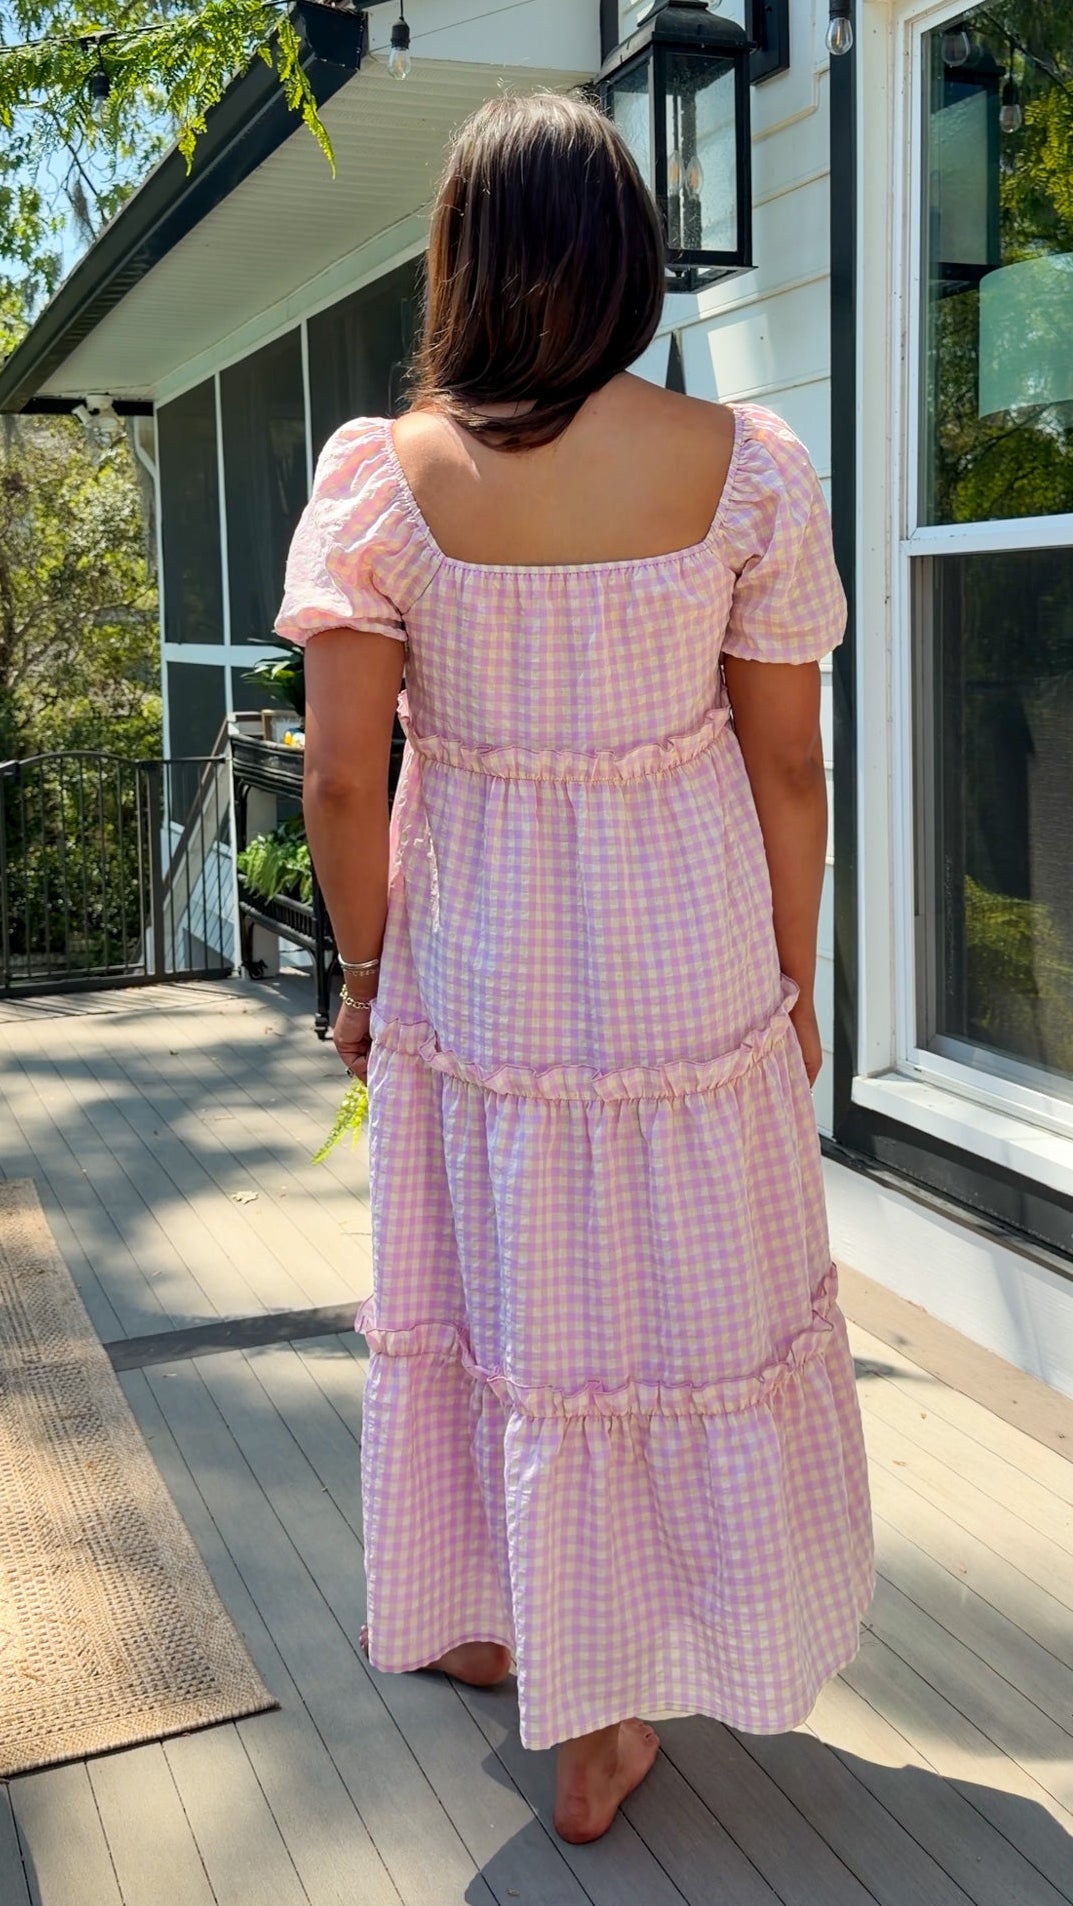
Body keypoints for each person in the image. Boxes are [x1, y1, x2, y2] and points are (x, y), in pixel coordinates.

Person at [275, 91, 875, 1846]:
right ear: (624, 258)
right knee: (670, 1308)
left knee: (507, 1288)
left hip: (486, 963)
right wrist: (793, 974)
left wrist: (368, 973)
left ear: (461, 258)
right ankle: (590, 1659)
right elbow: (785, 765)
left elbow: (335, 772)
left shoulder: (385, 478)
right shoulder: (744, 464)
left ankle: (548, 1655)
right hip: (684, 952)